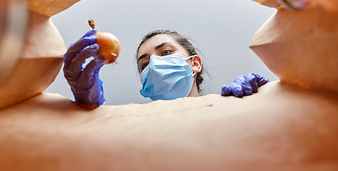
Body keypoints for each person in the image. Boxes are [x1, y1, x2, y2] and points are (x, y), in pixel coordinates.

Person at [63, 29, 269, 105]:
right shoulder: (132, 128)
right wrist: (86, 102)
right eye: (144, 64)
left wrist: (266, 96)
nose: (154, 63)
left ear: (194, 64)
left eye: (166, 52)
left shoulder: (229, 110)